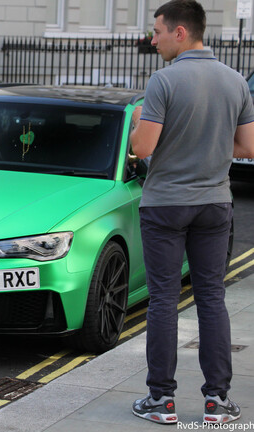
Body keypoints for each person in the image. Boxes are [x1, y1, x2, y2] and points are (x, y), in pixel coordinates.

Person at [129, 0, 254, 425]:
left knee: (163, 300)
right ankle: (217, 401)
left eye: (158, 30)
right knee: (212, 299)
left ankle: (161, 400)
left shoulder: (163, 81)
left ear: (181, 32)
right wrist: (211, 151)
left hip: (165, 204)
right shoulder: (236, 81)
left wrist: (136, 126)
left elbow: (142, 148)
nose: (153, 38)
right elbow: (248, 148)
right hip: (215, 203)